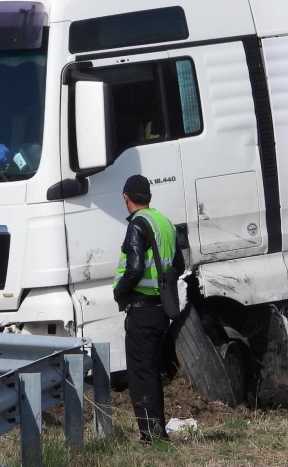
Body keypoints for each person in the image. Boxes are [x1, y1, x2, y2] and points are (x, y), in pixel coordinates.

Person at [112, 174, 184, 443]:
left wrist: (119, 291)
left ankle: (151, 436)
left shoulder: (137, 225)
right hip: (161, 308)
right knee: (152, 370)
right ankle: (157, 431)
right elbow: (179, 266)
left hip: (141, 309)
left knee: (141, 373)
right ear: (149, 197)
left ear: (126, 197)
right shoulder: (164, 222)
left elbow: (134, 269)